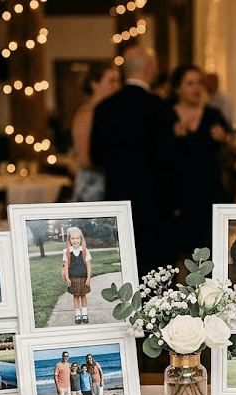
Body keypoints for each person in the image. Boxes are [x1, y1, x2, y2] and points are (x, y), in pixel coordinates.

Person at [90, 45, 177, 277]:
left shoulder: (103, 108)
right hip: (154, 206)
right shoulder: (160, 108)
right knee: (156, 275)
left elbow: (95, 156)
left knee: (124, 273)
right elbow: (169, 162)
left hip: (117, 201)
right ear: (149, 68)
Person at [170, 64, 231, 255]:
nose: (196, 88)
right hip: (177, 196)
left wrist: (224, 138)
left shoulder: (213, 114)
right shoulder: (166, 115)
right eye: (189, 83)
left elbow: (234, 146)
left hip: (210, 192)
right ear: (178, 88)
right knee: (181, 254)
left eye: (199, 83)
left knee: (211, 251)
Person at [72, 63, 121, 202]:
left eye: (118, 81)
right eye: (111, 81)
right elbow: (84, 159)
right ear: (95, 84)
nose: (117, 86)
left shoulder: (110, 113)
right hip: (92, 186)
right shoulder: (88, 114)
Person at [61, 226, 92, 325]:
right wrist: (67, 278)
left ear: (81, 239)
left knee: (83, 296)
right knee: (75, 296)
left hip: (83, 278)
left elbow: (88, 265)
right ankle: (77, 314)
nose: (75, 241)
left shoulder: (85, 251)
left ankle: (84, 313)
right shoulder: (67, 252)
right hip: (73, 278)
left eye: (77, 238)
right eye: (73, 238)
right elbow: (65, 266)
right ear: (69, 240)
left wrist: (88, 278)